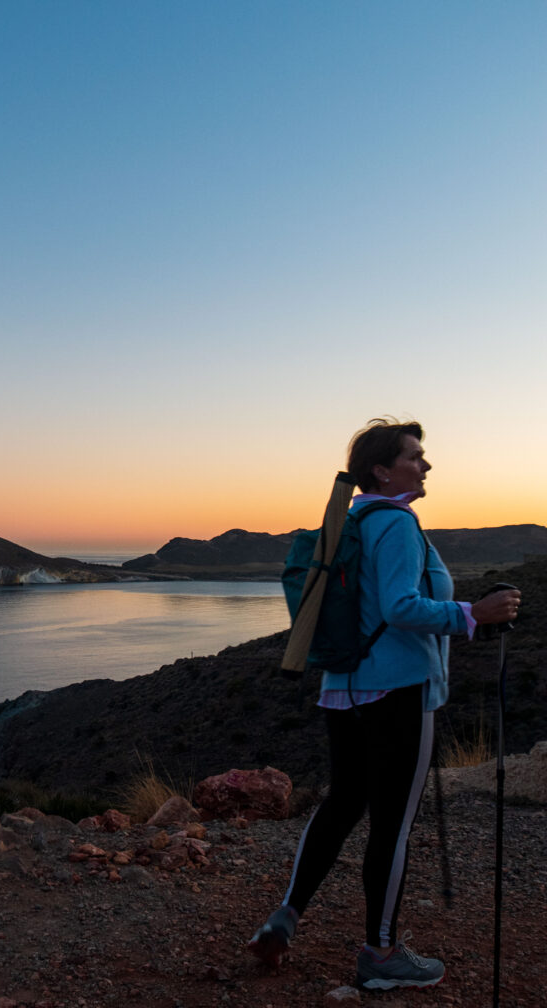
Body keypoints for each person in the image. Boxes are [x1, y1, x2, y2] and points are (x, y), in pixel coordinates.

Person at [249, 418, 520, 990]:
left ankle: (286, 916)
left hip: (343, 687)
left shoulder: (350, 520)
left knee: (341, 805)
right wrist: (473, 614)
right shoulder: (396, 522)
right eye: (416, 456)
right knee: (391, 826)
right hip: (399, 691)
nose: (425, 466)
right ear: (382, 468)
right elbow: (400, 607)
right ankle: (380, 954)